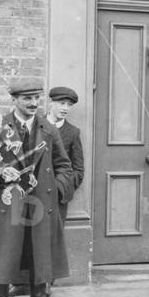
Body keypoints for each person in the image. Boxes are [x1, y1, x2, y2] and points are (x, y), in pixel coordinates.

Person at [0, 78, 74, 297]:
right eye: (26, 98)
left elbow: (64, 165)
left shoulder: (47, 129)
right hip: (8, 201)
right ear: (14, 100)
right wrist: (0, 173)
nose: (33, 103)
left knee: (39, 249)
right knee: (4, 249)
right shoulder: (0, 126)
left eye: (36, 98)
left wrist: (56, 190)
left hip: (41, 201)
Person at [46, 86, 84, 222]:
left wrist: (63, 188)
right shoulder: (36, 126)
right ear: (50, 102)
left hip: (58, 196)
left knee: (56, 236)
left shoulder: (73, 132)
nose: (65, 108)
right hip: (35, 191)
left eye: (69, 105)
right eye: (62, 103)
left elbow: (79, 169)